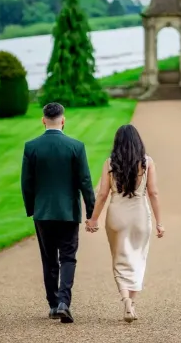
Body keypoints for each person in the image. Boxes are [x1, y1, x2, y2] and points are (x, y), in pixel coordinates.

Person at [21, 102, 95, 324]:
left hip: (43, 213)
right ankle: (64, 302)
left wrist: (32, 208)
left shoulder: (31, 146)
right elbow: (85, 182)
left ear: (43, 120)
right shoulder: (76, 146)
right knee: (68, 257)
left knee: (49, 260)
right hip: (68, 212)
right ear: (63, 120)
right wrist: (91, 211)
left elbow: (26, 183)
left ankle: (53, 304)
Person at [86, 124, 164, 322]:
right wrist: (159, 223)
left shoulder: (110, 162)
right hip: (139, 215)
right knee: (138, 258)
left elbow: (103, 194)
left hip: (116, 215)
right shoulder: (147, 163)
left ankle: (125, 300)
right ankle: (133, 303)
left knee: (119, 258)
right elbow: (153, 193)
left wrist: (93, 219)